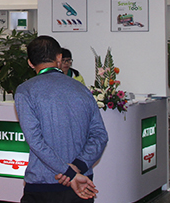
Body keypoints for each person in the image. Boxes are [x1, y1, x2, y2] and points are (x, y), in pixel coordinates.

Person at [15, 35, 108, 202]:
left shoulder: (25, 91)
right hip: (81, 182)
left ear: (30, 63)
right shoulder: (81, 89)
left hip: (43, 184)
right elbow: (100, 135)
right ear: (59, 58)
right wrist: (77, 167)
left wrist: (69, 172)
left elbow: (35, 141)